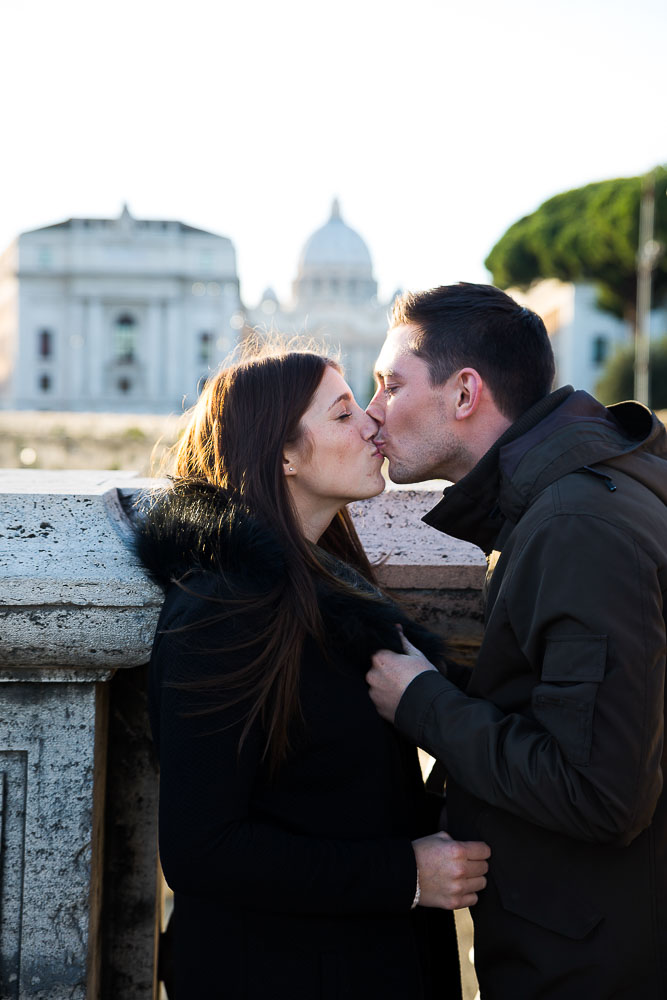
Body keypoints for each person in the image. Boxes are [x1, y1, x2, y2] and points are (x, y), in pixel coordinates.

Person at [133, 344, 490, 1000]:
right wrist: (403, 874)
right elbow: (200, 848)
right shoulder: (221, 611)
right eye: (342, 414)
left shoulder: (332, 590)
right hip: (279, 970)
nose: (372, 426)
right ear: (284, 455)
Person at [365, 283, 667, 999]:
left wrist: (423, 705)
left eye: (389, 384)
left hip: (588, 959)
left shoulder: (573, 526)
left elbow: (599, 794)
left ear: (464, 393)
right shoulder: (580, 493)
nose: (372, 410)